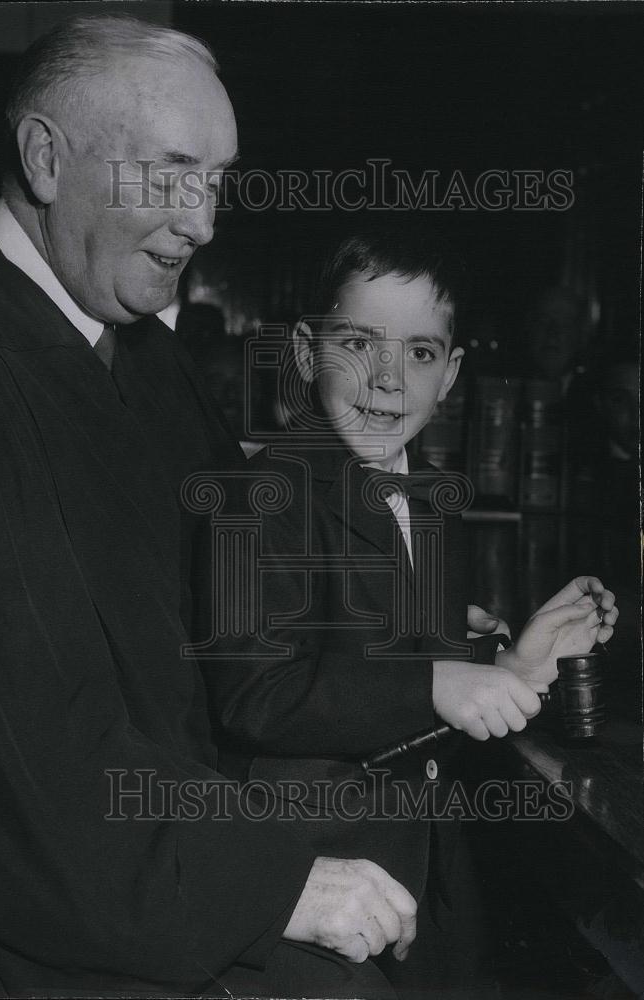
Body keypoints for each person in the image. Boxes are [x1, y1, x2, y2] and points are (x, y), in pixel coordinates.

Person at [0, 16, 438, 999]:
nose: (203, 222)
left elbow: (231, 607)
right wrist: (275, 884)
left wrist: (404, 639)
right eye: (169, 174)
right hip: (65, 928)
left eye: (215, 180)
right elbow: (18, 761)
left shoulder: (144, 356)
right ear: (45, 157)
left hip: (171, 853)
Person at [198, 227, 618, 997]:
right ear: (303, 350)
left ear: (451, 373)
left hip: (420, 871)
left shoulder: (432, 499)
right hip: (305, 877)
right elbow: (257, 694)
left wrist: (509, 663)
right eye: (360, 343)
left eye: (420, 353)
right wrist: (434, 683)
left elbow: (407, 655)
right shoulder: (258, 497)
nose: (389, 381)